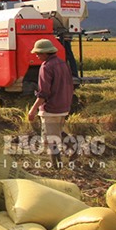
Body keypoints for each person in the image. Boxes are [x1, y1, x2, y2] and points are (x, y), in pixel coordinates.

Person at [26, 38, 75, 167]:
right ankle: (72, 146)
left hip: (51, 107)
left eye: (38, 53)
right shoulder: (62, 63)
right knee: (56, 131)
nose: (36, 55)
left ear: (45, 53)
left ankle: (56, 165)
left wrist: (33, 109)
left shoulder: (46, 66)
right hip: (64, 105)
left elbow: (44, 93)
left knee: (50, 139)